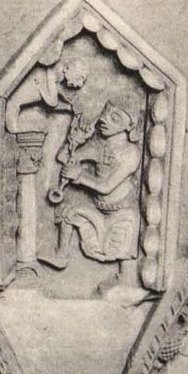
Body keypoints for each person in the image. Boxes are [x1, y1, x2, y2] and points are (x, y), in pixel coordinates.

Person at [41, 101, 141, 288]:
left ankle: (127, 282)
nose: (104, 119)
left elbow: (106, 187)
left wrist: (79, 175)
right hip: (98, 210)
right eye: (105, 112)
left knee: (123, 250)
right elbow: (64, 157)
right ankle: (61, 256)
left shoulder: (130, 153)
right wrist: (77, 140)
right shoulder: (99, 146)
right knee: (67, 214)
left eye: (114, 118)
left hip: (121, 213)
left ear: (129, 126)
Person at [4, 58, 90, 134]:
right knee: (35, 127)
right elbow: (53, 102)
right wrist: (70, 107)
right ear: (66, 68)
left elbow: (57, 96)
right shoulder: (50, 75)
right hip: (12, 111)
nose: (80, 84)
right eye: (79, 78)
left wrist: (73, 105)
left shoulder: (51, 75)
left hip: (15, 108)